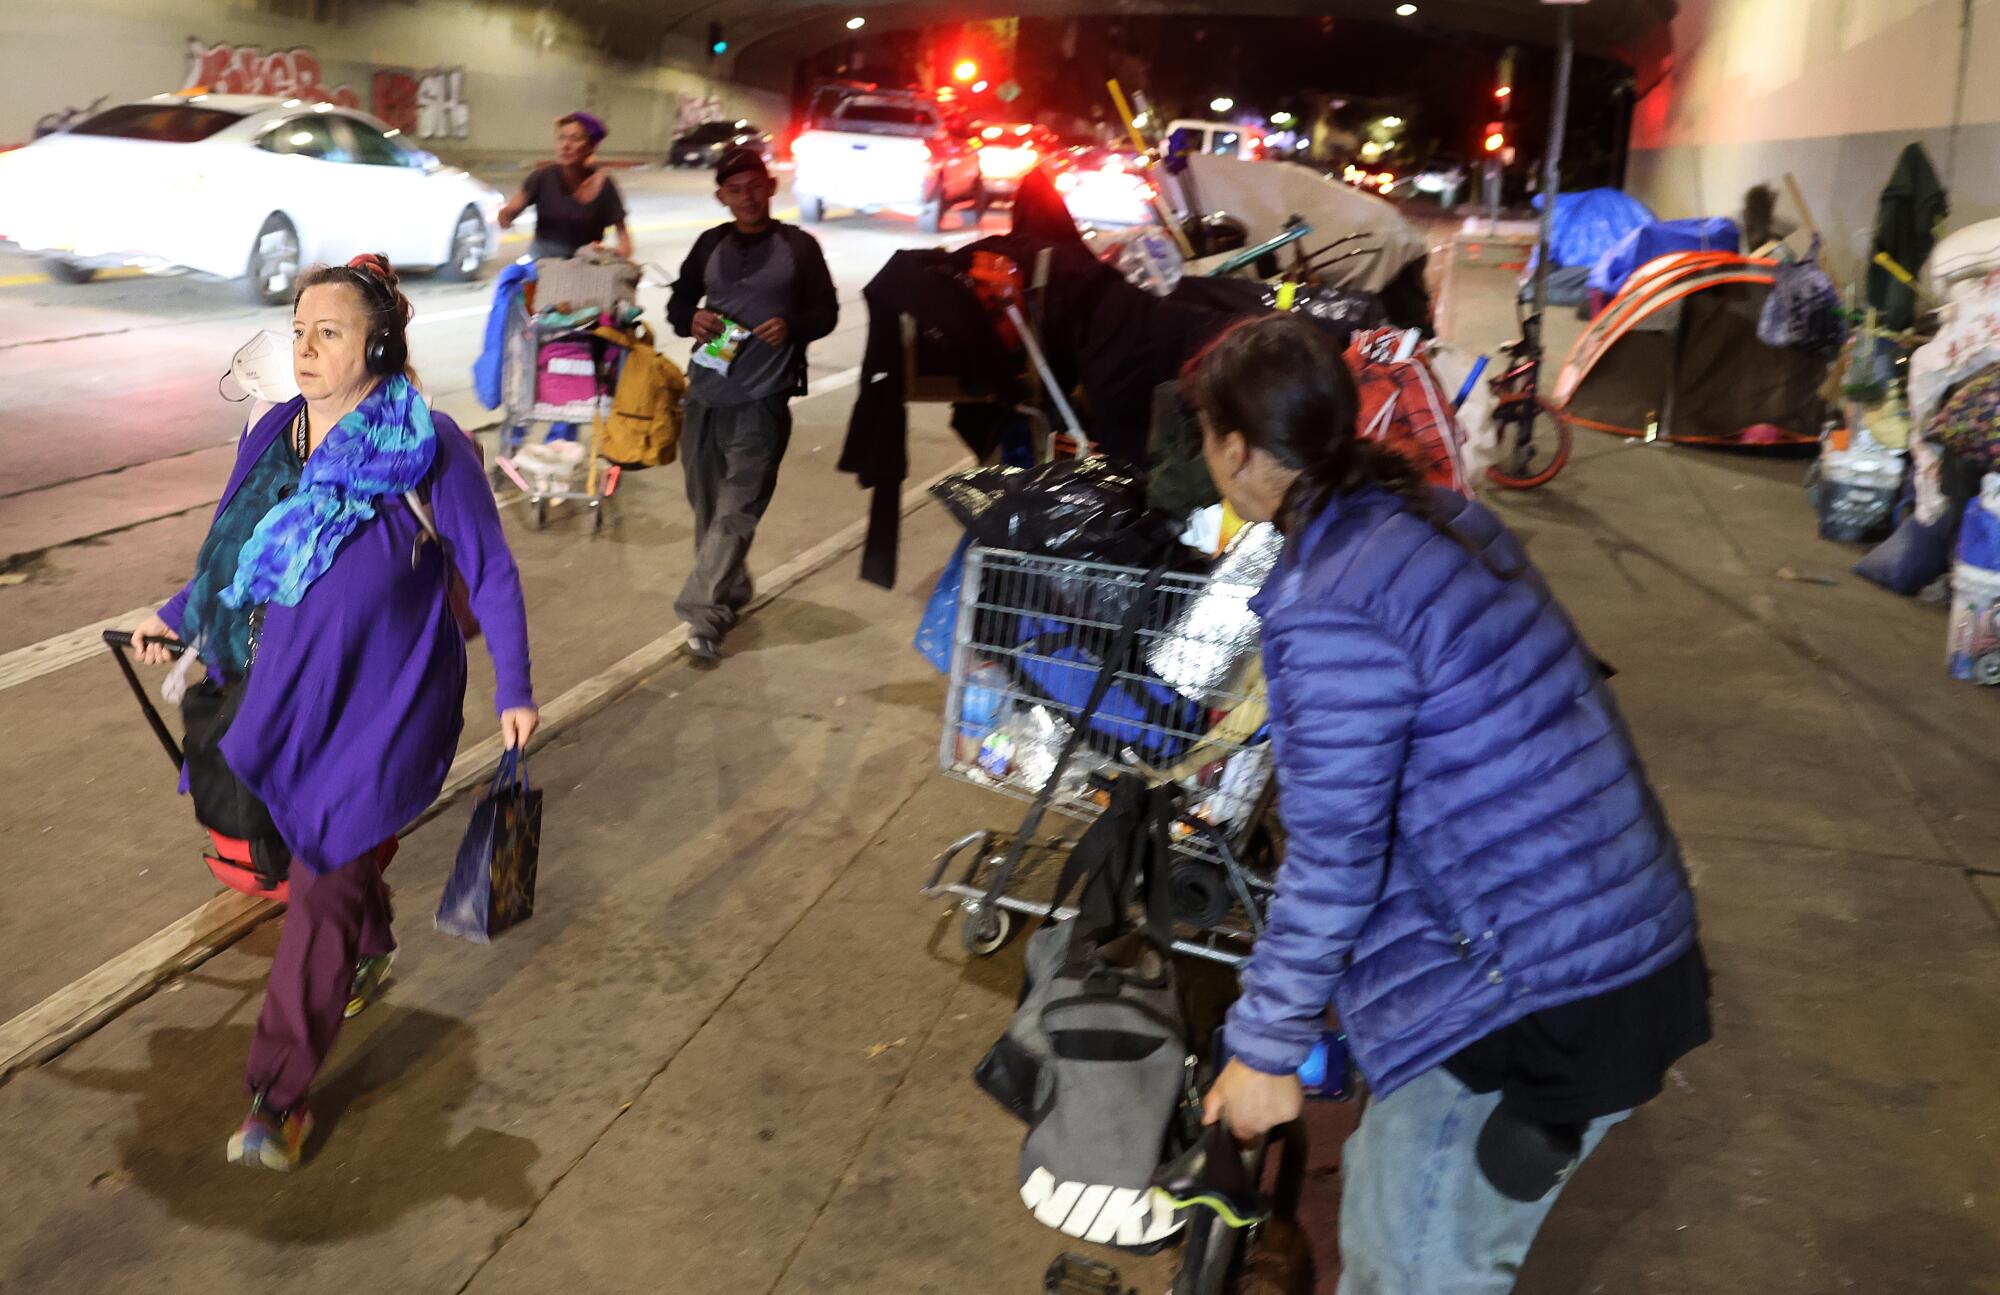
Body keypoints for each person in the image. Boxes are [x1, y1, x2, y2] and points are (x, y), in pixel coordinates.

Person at [1189, 315, 1710, 1292]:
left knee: (1409, 1270)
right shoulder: (1423, 515)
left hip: (1525, 992)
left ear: (1233, 447)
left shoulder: (1332, 595)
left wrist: (1263, 1046)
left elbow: (1334, 857)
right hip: (1615, 944)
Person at [129, 254, 538, 1171]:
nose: (306, 348)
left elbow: (493, 570)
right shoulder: (276, 430)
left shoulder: (428, 447)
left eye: (332, 332)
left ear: (379, 345)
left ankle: (278, 1098)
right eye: (300, 328)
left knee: (318, 886)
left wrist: (514, 686)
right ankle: (373, 936)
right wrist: (177, 616)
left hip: (385, 709)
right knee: (320, 860)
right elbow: (236, 549)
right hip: (286, 696)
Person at [666, 147, 838, 661]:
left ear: (772, 187)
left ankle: (703, 612)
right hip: (705, 390)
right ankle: (731, 584)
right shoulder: (710, 244)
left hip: (764, 395)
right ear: (722, 196)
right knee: (706, 500)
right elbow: (679, 302)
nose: (747, 197)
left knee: (739, 505)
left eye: (755, 186)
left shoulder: (798, 246)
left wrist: (794, 327)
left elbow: (826, 311)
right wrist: (690, 319)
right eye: (735, 190)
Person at [498, 111, 633, 260]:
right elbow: (511, 211)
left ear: (591, 146)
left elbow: (623, 237)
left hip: (585, 266)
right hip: (543, 265)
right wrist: (505, 216)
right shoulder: (541, 177)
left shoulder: (604, 185)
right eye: (561, 138)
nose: (566, 145)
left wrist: (621, 258)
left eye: (575, 139)